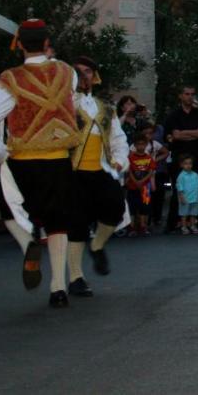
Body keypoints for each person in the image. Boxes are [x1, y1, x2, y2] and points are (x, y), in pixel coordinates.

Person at [0, 19, 82, 306]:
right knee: (57, 222)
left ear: (20, 44)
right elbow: (69, 94)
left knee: (9, 210)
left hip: (23, 160)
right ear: (47, 42)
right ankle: (58, 287)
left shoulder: (10, 79)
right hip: (59, 159)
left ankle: (28, 245)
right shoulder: (67, 72)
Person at [65, 55, 130, 298]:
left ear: (95, 76)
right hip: (73, 172)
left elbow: (118, 139)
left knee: (115, 209)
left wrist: (120, 160)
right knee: (77, 223)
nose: (83, 76)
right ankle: (75, 277)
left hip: (102, 169)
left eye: (87, 72)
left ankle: (97, 246)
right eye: (78, 72)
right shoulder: (64, 104)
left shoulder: (106, 108)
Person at [164, 85, 198, 233]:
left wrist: (185, 133)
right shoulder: (173, 115)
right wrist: (194, 132)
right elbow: (175, 135)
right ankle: (173, 223)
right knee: (178, 189)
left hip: (197, 155)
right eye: (187, 94)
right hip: (179, 156)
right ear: (180, 96)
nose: (190, 96)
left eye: (192, 94)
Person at [125, 131, 156, 236]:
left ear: (146, 144)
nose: (140, 146)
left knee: (144, 207)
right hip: (132, 186)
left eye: (143, 144)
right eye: (138, 144)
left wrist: (142, 181)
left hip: (145, 188)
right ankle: (132, 227)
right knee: (132, 207)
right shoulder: (131, 158)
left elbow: (151, 171)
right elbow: (129, 171)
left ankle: (143, 225)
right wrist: (135, 181)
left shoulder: (149, 158)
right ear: (134, 145)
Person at [175, 155, 198, 234]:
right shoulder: (181, 176)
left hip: (194, 198)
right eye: (185, 163)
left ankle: (193, 226)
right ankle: (184, 227)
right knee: (184, 214)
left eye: (190, 163)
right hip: (185, 198)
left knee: (193, 213)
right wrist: (182, 197)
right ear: (181, 165)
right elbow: (179, 187)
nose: (188, 165)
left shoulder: (195, 175)